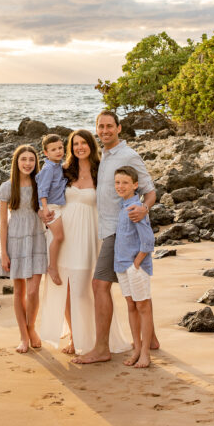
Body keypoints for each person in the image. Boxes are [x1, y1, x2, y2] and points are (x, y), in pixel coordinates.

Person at [72, 110, 157, 365]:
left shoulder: (129, 155)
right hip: (108, 228)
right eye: (101, 126)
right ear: (96, 129)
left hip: (121, 231)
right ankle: (151, 340)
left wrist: (145, 208)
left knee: (100, 285)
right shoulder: (105, 156)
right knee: (134, 290)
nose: (105, 130)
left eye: (110, 126)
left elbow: (149, 190)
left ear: (119, 128)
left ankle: (101, 348)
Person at [38, 129, 129, 355]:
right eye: (75, 144)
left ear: (91, 145)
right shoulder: (65, 170)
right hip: (64, 233)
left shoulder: (102, 171)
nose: (79, 147)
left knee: (85, 288)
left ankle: (95, 339)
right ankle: (74, 336)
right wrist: (42, 211)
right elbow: (43, 189)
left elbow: (118, 196)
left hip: (90, 235)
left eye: (83, 143)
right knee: (66, 287)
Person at [0, 144, 47, 353]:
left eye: (31, 159)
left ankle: (31, 327)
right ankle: (23, 336)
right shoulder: (8, 187)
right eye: (23, 159)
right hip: (16, 240)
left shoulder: (40, 185)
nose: (27, 163)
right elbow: (3, 223)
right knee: (19, 291)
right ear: (16, 162)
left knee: (34, 290)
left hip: (37, 238)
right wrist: (3, 252)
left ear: (36, 163)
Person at [113, 166, 155, 368]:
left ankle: (145, 352)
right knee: (131, 306)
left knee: (142, 307)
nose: (120, 186)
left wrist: (136, 263)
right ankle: (136, 348)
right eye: (117, 182)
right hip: (122, 266)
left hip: (135, 267)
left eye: (125, 183)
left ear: (135, 185)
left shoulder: (135, 208)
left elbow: (148, 241)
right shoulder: (123, 206)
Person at [37, 134, 68, 286]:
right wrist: (44, 208)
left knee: (60, 236)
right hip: (50, 207)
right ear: (46, 153)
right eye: (53, 149)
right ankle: (52, 267)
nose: (58, 151)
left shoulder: (58, 166)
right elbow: (42, 189)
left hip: (57, 205)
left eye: (60, 148)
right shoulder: (49, 168)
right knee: (59, 237)